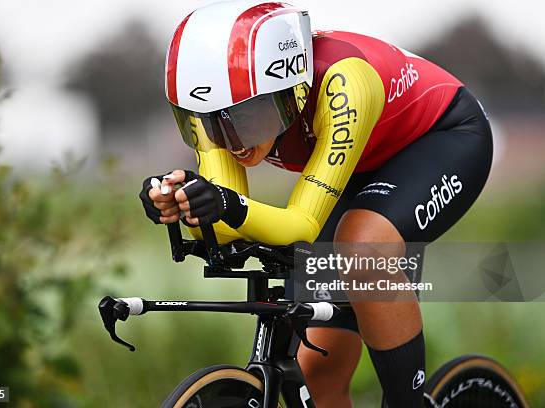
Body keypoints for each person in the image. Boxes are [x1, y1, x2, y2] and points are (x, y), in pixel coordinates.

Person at [139, 1, 493, 407]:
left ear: (295, 89)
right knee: (316, 370)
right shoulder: (213, 107)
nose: (232, 140)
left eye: (248, 118)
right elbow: (226, 221)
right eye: (214, 123)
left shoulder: (345, 82)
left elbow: (301, 224)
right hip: (356, 159)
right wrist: (185, 205)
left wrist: (224, 204)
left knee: (362, 248)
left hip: (441, 139)